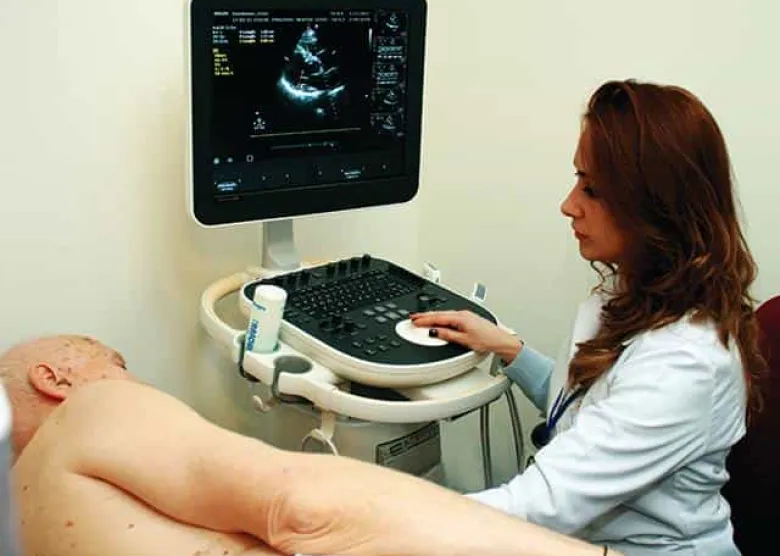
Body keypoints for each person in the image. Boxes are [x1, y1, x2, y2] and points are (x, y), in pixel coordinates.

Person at [412, 79, 764, 555]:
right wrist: (507, 349)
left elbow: (542, 502)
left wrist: (377, 517)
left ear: (657, 207)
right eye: (578, 178)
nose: (568, 205)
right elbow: (585, 409)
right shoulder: (630, 293)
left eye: (593, 189)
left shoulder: (687, 363)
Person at [2, 334, 619, 556]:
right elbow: (301, 509)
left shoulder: (29, 513)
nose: (132, 378)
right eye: (114, 360)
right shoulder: (90, 407)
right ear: (54, 378)